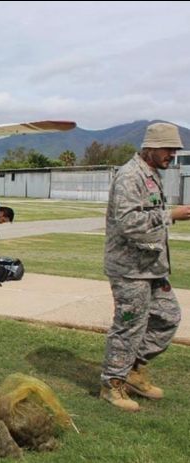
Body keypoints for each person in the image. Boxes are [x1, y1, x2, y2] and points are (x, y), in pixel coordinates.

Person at [100, 122, 190, 412]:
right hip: (130, 269)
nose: (172, 155)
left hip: (152, 267)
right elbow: (127, 223)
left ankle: (134, 370)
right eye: (167, 149)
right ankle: (112, 385)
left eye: (175, 150)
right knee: (129, 326)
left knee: (168, 316)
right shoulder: (130, 176)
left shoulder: (151, 174)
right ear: (150, 147)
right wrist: (170, 216)